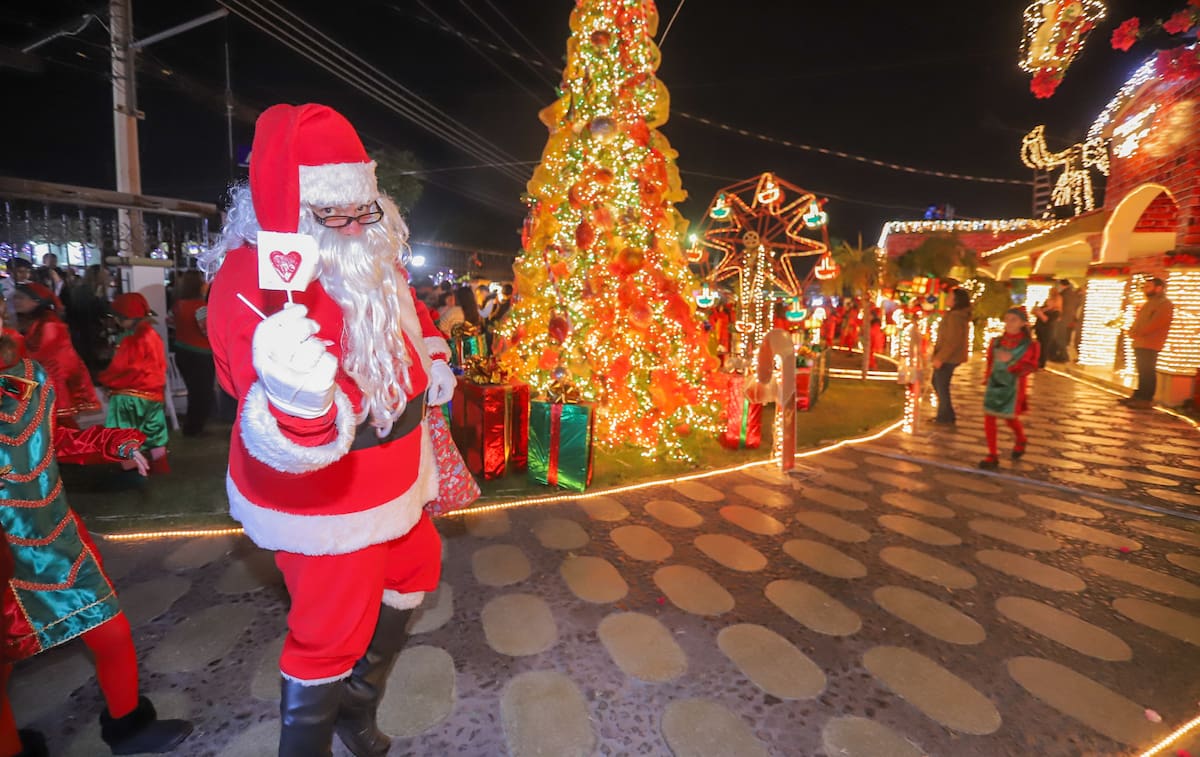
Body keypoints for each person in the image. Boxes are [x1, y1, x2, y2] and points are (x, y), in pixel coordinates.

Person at [200, 103, 456, 757]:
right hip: (329, 497)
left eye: (363, 209)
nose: (355, 225)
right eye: (332, 214)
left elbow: (406, 310)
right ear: (289, 212)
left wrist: (432, 354)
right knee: (330, 631)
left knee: (415, 570)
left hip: (400, 473)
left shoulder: (368, 251)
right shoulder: (249, 278)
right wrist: (300, 402)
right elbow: (265, 408)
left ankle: (356, 702)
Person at [0, 330, 193, 756]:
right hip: (3, 560)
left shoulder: (30, 375)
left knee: (110, 628)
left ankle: (128, 728)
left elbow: (56, 440)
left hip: (55, 540)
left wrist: (111, 442)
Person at [98, 293, 169, 474]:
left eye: (118, 318)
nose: (116, 321)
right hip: (153, 395)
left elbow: (121, 369)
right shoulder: (153, 335)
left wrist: (106, 381)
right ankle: (160, 467)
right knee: (154, 432)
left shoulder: (130, 340)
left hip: (129, 397)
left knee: (123, 434)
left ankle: (131, 472)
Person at [11, 282, 99, 427]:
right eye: (15, 297)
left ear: (36, 301)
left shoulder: (50, 323)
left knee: (57, 424)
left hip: (53, 380)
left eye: (20, 298)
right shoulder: (28, 321)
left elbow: (42, 353)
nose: (15, 301)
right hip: (40, 379)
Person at [980, 307, 1040, 470]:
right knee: (989, 416)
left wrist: (1012, 363)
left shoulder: (1030, 345)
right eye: (1007, 319)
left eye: (1013, 319)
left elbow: (1031, 365)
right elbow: (990, 361)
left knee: (1009, 417)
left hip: (1014, 385)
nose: (1008, 323)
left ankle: (1021, 438)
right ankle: (992, 454)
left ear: (1023, 323)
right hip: (995, 383)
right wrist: (988, 376)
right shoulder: (996, 342)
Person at [170, 270, 215, 436]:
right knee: (202, 393)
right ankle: (194, 428)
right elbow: (207, 331)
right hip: (200, 355)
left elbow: (171, 323)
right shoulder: (201, 307)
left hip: (182, 352)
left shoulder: (178, 305)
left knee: (194, 392)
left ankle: (191, 427)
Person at [1122, 276, 1174, 409]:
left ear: (1159, 288)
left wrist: (1139, 333)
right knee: (1142, 370)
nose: (1145, 289)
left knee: (1147, 371)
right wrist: (1132, 331)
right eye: (1144, 287)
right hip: (1140, 342)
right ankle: (1139, 396)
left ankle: (1146, 399)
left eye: (1148, 287)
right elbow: (1140, 321)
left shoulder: (1164, 304)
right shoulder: (1149, 303)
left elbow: (1156, 323)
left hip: (1151, 343)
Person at [930, 288, 971, 425]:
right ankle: (947, 414)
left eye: (949, 297)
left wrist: (940, 358)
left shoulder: (955, 317)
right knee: (938, 383)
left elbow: (952, 340)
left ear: (956, 300)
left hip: (949, 357)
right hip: (949, 356)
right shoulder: (955, 315)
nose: (946, 298)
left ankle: (944, 417)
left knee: (941, 385)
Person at [66, 264, 114, 378]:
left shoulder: (78, 290)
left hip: (80, 333)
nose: (108, 278)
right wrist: (99, 299)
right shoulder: (92, 292)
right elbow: (100, 311)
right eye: (106, 276)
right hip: (88, 333)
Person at [1056, 279, 1082, 361]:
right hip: (1070, 319)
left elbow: (1060, 307)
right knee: (1066, 338)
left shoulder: (1063, 294)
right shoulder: (1074, 294)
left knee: (1060, 337)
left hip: (1062, 319)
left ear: (1061, 285)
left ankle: (1063, 356)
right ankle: (1064, 355)